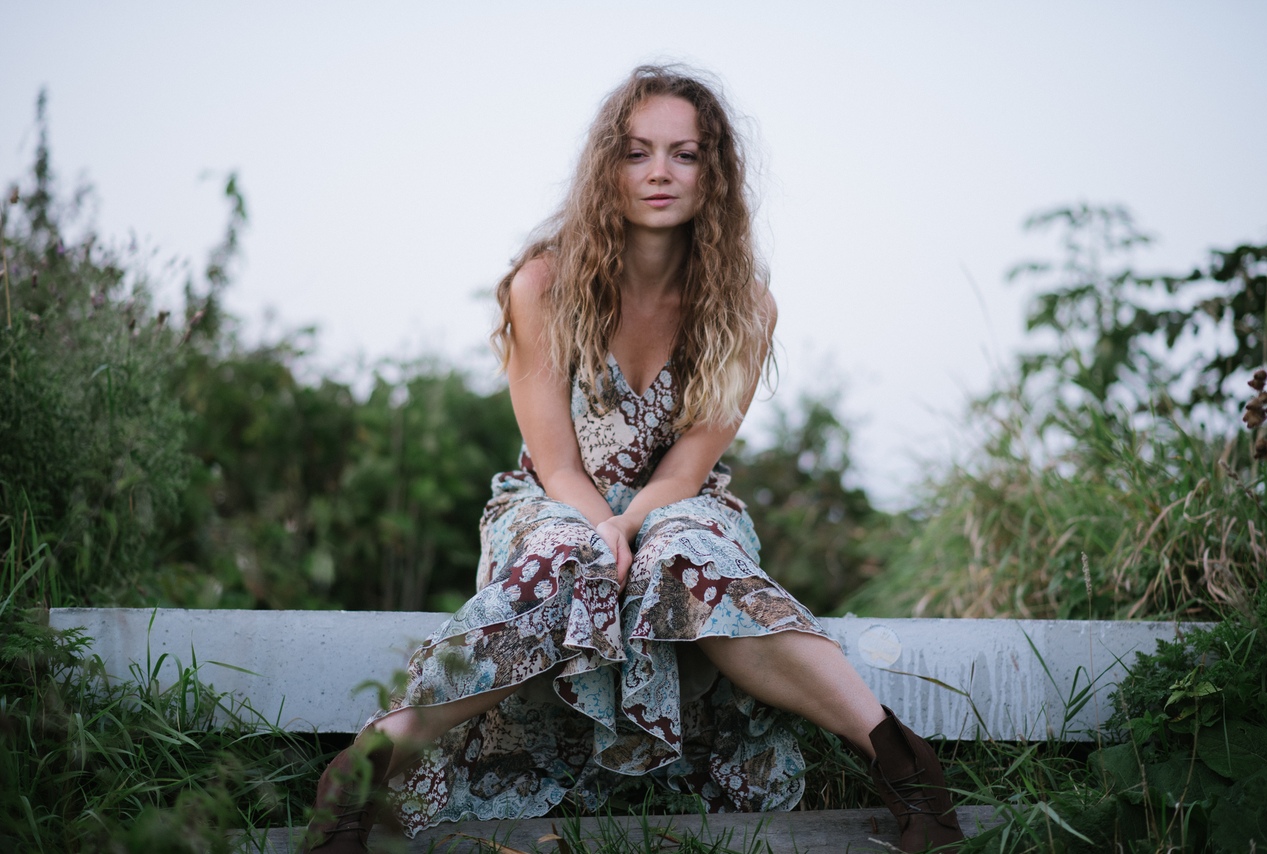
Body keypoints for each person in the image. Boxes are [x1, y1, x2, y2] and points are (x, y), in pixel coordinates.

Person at [301, 65, 964, 854]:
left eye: (684, 155)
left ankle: (903, 764)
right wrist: (603, 533)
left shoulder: (745, 305)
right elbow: (558, 465)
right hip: (551, 498)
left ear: (713, 173)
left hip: (681, 501)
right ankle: (367, 765)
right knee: (569, 555)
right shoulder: (544, 284)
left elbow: (685, 471)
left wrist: (632, 527)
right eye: (638, 152)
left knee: (682, 555)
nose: (659, 173)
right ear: (607, 166)